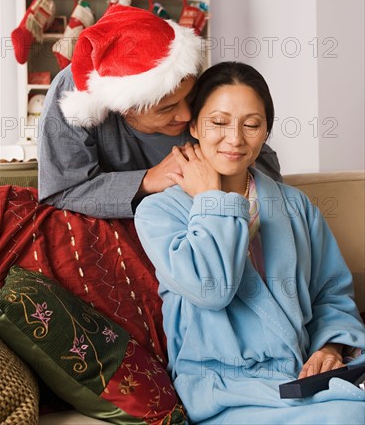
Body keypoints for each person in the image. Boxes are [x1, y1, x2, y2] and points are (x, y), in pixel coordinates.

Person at [135, 61, 365, 424]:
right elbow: (211, 290)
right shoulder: (159, 212)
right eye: (219, 122)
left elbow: (331, 293)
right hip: (223, 387)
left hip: (303, 375)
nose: (236, 138)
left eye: (252, 124)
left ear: (266, 131)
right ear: (194, 125)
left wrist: (330, 347)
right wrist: (213, 200)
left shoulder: (294, 205)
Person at [38, 6, 281, 218]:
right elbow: (62, 191)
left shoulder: (187, 72)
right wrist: (147, 180)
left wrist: (215, 184)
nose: (187, 115)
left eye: (190, 96)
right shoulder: (71, 96)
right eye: (167, 108)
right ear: (124, 109)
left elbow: (256, 154)